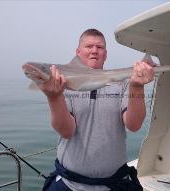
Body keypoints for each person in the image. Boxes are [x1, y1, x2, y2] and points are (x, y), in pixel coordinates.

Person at [39, 28, 154, 191]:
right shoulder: (63, 84)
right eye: (89, 46)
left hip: (114, 184)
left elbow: (134, 125)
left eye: (99, 47)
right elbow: (66, 131)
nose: (94, 50)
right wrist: (54, 98)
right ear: (78, 52)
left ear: (105, 54)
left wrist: (137, 86)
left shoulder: (123, 83)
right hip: (69, 184)